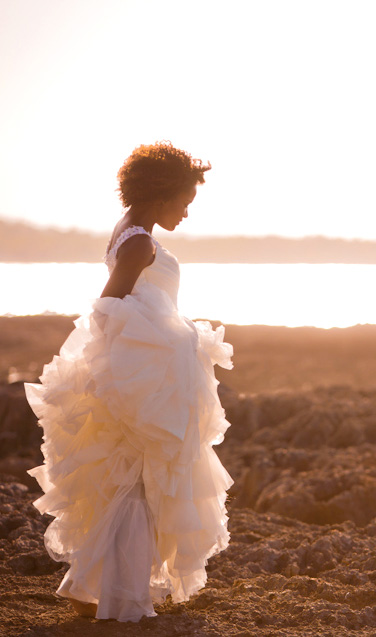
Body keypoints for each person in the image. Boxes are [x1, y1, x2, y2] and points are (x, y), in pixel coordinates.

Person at [25, 141, 234, 622]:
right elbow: (109, 307)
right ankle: (120, 598)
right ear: (161, 195)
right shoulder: (140, 241)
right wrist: (171, 344)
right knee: (140, 483)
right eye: (183, 202)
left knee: (132, 481)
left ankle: (89, 586)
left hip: (145, 375)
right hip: (143, 380)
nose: (185, 212)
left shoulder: (130, 230)